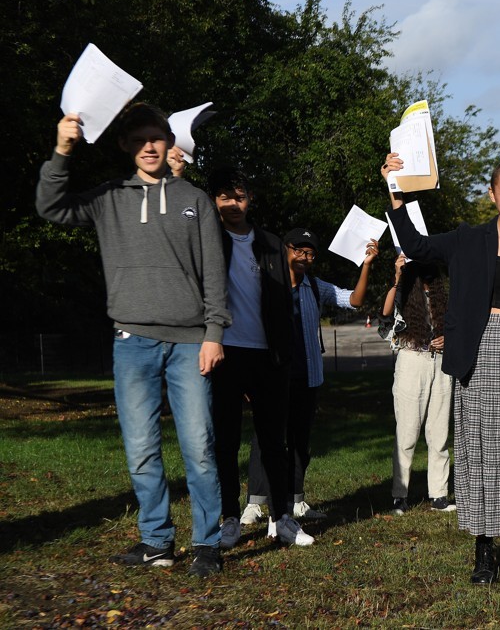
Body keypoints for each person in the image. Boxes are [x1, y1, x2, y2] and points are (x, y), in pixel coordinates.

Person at [36, 103, 230, 577]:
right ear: (126, 145)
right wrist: (62, 150)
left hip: (190, 345)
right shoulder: (109, 198)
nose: (149, 146)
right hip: (132, 343)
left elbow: (214, 274)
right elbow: (51, 208)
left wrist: (214, 334)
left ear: (170, 144)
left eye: (157, 138)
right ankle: (156, 541)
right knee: (141, 446)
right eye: (140, 139)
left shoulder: (196, 200)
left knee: (199, 445)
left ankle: (207, 543)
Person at [383, 153, 500, 584]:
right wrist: (396, 192)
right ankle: (484, 551)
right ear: (491, 194)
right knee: (483, 454)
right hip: (483, 354)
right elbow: (417, 246)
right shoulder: (469, 239)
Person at [206, 167, 313, 548]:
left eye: (239, 196)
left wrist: (281, 356)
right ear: (213, 200)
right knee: (226, 441)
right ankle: (230, 518)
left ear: (250, 200)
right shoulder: (206, 238)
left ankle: (282, 518)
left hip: (268, 357)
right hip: (223, 353)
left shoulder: (270, 243)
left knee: (273, 442)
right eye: (224, 196)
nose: (232, 204)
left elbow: (284, 303)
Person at [240, 229, 375, 524]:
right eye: (298, 250)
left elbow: (353, 300)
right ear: (285, 250)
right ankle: (255, 504)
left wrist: (365, 265)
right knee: (265, 439)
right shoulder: (266, 284)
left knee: (299, 442)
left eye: (310, 253)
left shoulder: (315, 286)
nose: (304, 257)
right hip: (273, 375)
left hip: (307, 377)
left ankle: (296, 501)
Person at [382, 254, 455, 515]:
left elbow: (456, 326)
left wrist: (448, 338)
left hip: (441, 363)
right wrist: (398, 276)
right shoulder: (403, 289)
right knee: (408, 431)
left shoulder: (441, 294)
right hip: (412, 361)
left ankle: (439, 494)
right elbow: (386, 314)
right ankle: (399, 496)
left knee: (439, 433)